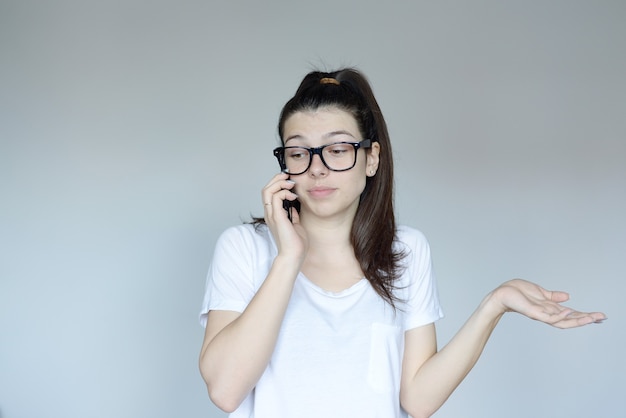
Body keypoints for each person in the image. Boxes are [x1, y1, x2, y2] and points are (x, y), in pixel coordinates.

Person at [198, 68, 606, 418]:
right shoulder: (244, 248)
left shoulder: (405, 252)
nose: (317, 169)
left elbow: (418, 399)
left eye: (338, 150)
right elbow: (225, 390)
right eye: (299, 153)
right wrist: (288, 257)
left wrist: (493, 306)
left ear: (371, 158)